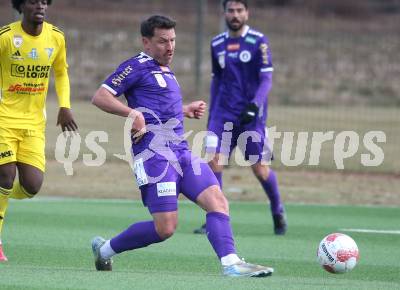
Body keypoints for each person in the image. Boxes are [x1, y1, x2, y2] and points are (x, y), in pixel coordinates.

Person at [90, 15, 273, 277]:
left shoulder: (166, 69)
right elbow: (101, 96)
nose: (170, 47)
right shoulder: (136, 66)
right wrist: (133, 115)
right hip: (154, 157)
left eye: (173, 40)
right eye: (163, 41)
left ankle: (231, 263)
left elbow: (160, 106)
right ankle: (105, 250)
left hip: (181, 152)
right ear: (146, 42)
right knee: (165, 228)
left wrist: (185, 110)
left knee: (217, 200)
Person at [193, 0, 287, 235]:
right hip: (222, 115)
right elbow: (217, 80)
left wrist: (254, 105)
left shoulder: (258, 41)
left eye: (239, 10)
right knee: (214, 162)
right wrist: (212, 115)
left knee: (260, 170)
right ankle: (216, 215)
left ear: (247, 13)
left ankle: (277, 209)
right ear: (224, 13)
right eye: (231, 10)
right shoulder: (216, 43)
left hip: (250, 116)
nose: (235, 15)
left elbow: (266, 79)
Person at [0, 0, 78, 262]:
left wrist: (64, 106)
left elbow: (61, 73)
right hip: (3, 120)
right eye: (33, 1)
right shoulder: (6, 38)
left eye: (44, 1)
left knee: (32, 185)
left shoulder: (56, 37)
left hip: (34, 124)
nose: (40, 6)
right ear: (21, 6)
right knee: (5, 176)